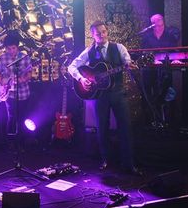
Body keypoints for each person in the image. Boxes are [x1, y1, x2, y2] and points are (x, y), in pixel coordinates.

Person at [68, 21, 143, 176]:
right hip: (100, 96)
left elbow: (127, 61)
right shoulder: (88, 51)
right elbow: (71, 67)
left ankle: (128, 163)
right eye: (97, 33)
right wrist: (81, 79)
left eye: (103, 32)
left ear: (107, 32)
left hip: (118, 93)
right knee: (102, 129)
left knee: (125, 128)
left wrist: (129, 65)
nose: (101, 35)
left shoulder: (119, 48)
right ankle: (105, 160)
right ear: (93, 35)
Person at [140, 14, 180, 127]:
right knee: (149, 92)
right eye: (154, 20)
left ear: (163, 21)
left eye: (159, 19)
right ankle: (151, 121)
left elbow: (174, 50)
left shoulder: (170, 34)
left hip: (165, 67)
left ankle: (168, 121)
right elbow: (144, 51)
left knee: (165, 92)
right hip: (150, 68)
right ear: (151, 23)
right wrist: (152, 60)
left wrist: (175, 59)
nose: (156, 21)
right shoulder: (147, 36)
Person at [0, 32, 32, 152]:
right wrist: (1, 82)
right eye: (9, 48)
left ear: (17, 47)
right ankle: (10, 143)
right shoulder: (2, 58)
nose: (11, 51)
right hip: (9, 93)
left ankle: (21, 143)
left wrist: (22, 79)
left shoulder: (24, 57)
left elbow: (29, 73)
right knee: (11, 117)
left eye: (13, 48)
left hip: (22, 92)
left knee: (21, 118)